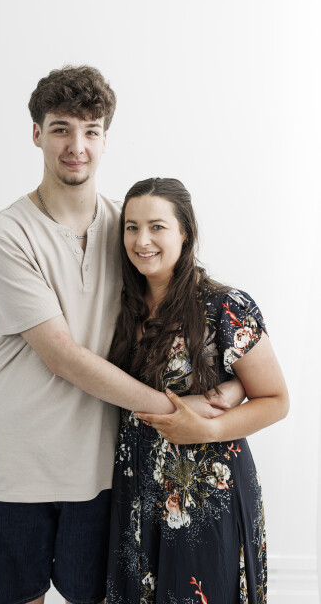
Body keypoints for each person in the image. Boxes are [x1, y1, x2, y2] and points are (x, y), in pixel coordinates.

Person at [0, 66, 244, 604]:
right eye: (61, 129)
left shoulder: (130, 228)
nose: (77, 146)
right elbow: (62, 356)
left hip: (102, 466)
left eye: (90, 130)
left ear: (105, 139)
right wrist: (174, 409)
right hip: (14, 462)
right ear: (37, 134)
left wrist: (228, 390)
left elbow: (190, 312)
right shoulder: (7, 232)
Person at [105, 178, 289, 603]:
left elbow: (276, 400)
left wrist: (207, 428)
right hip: (133, 494)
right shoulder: (117, 307)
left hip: (205, 497)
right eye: (132, 227)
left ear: (185, 232)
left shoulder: (226, 306)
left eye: (157, 226)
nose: (142, 240)